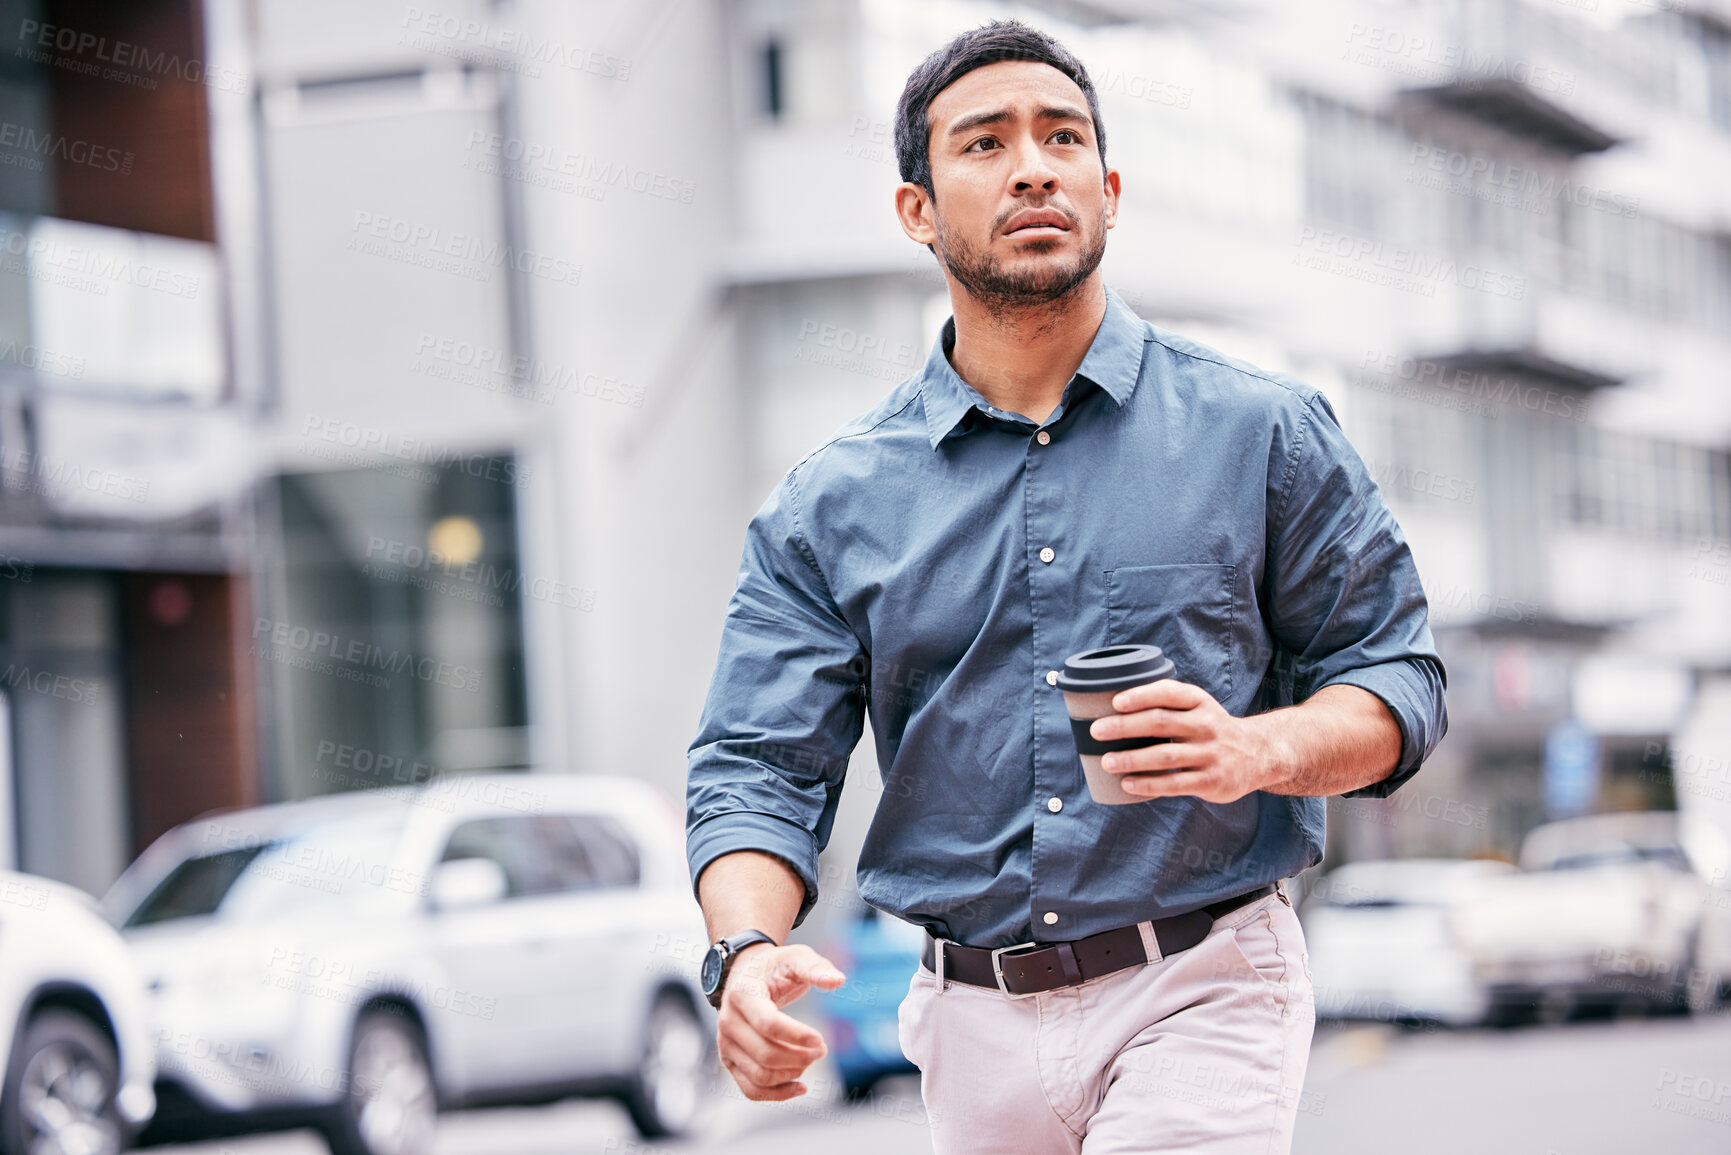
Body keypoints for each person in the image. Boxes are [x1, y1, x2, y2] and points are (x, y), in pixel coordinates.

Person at [684, 18, 1446, 1154]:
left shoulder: (1263, 435)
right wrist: (744, 953)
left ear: (1109, 186)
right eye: (985, 143)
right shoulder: (828, 505)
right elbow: (757, 766)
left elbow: (1400, 680)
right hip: (967, 1023)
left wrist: (1260, 750)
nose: (1034, 164)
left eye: (1063, 137)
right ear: (919, 212)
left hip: (1204, 980)